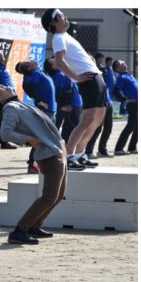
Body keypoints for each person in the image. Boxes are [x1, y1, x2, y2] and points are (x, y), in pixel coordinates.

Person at [0, 85, 67, 245]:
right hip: (49, 154)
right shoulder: (10, 107)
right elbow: (4, 133)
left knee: (57, 196)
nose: (2, 85)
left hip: (57, 150)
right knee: (49, 197)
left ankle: (34, 226)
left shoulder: (18, 103)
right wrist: (29, 139)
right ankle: (19, 231)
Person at [41, 9, 106, 171]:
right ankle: (69, 156)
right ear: (53, 23)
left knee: (97, 119)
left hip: (96, 78)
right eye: (62, 16)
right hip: (88, 81)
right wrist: (77, 78)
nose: (66, 17)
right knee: (87, 120)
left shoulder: (65, 36)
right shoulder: (58, 38)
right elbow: (60, 62)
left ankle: (79, 154)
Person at [15, 59, 56, 174]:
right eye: (28, 62)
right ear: (29, 68)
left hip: (50, 109)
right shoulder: (35, 74)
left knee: (47, 137)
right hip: (45, 110)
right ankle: (33, 164)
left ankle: (42, 163)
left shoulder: (38, 72)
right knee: (40, 138)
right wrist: (39, 101)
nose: (31, 60)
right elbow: (28, 88)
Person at [85, 53, 114, 158]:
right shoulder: (89, 73)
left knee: (108, 128)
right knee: (97, 128)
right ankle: (88, 150)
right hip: (100, 104)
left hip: (108, 102)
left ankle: (102, 150)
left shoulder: (101, 71)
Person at [0, 49, 17, 150]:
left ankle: (4, 142)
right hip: (2, 100)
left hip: (10, 98)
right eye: (0, 55)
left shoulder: (3, 68)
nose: (3, 56)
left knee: (5, 121)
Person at [112, 60, 138, 155]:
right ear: (117, 68)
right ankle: (118, 149)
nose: (124, 63)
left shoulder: (129, 75)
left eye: (123, 62)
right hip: (133, 105)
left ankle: (132, 147)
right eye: (121, 64)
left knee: (138, 127)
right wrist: (124, 100)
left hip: (138, 103)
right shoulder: (122, 77)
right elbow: (115, 91)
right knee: (130, 126)